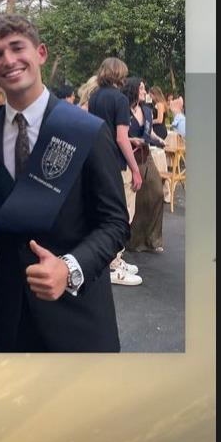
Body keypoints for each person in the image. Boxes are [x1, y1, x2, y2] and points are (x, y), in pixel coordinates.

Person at [0, 15, 129, 352]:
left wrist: (70, 267)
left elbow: (116, 223)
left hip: (76, 315)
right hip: (9, 318)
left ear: (41, 53)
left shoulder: (85, 129)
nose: (9, 60)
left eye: (18, 48)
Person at [88, 57, 143, 285]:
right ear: (120, 74)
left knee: (104, 212)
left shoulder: (95, 97)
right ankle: (115, 262)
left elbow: (103, 129)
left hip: (97, 160)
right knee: (123, 213)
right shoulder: (120, 99)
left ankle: (110, 260)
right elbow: (120, 138)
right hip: (116, 163)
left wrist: (128, 138)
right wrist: (135, 169)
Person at [121, 78, 166, 253]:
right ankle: (133, 241)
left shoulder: (147, 111)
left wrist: (159, 140)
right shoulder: (123, 110)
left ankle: (153, 239)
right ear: (132, 90)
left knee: (157, 193)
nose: (144, 92)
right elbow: (121, 134)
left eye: (144, 89)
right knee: (136, 200)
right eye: (140, 88)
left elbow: (150, 132)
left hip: (146, 156)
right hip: (130, 157)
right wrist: (132, 140)